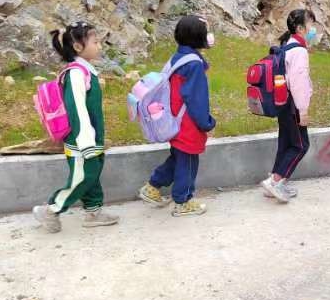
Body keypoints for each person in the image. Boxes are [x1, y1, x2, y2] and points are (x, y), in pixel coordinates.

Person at [33, 22, 120, 232]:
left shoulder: (86, 70)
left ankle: (93, 211)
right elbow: (77, 109)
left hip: (92, 136)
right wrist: (85, 140)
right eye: (95, 42)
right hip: (82, 139)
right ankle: (51, 210)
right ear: (78, 47)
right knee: (83, 177)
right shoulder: (75, 74)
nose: (100, 46)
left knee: (93, 173)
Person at [138, 16, 216, 216]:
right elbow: (196, 99)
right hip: (188, 122)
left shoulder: (177, 57)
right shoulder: (195, 65)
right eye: (206, 31)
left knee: (177, 158)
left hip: (173, 118)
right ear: (198, 37)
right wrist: (206, 122)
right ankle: (183, 201)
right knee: (188, 161)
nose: (209, 35)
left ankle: (152, 187)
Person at [261, 9, 316, 203]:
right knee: (301, 145)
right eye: (310, 25)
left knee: (285, 143)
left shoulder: (287, 47)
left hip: (282, 104)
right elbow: (298, 83)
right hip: (293, 106)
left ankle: (276, 181)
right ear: (300, 28)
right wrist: (303, 110)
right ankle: (275, 181)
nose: (313, 29)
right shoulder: (299, 51)